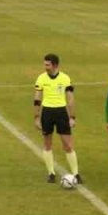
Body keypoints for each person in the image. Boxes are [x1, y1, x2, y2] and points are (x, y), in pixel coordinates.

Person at [34, 53, 79, 184]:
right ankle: (51, 173)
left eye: (47, 65)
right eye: (44, 64)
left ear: (55, 65)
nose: (45, 67)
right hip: (47, 112)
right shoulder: (41, 78)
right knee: (47, 144)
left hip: (61, 112)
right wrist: (37, 118)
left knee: (68, 145)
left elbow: (70, 99)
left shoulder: (65, 78)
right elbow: (37, 98)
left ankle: (76, 173)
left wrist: (72, 117)